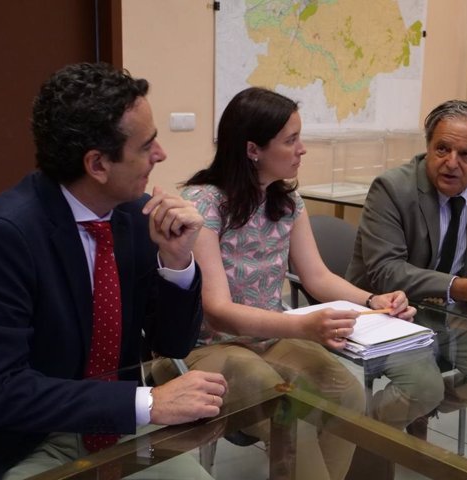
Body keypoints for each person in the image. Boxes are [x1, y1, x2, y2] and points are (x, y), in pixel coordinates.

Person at [152, 86, 415, 480]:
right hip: (205, 347)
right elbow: (219, 313)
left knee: (348, 394)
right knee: (291, 414)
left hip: (270, 337)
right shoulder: (202, 205)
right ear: (253, 149)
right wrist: (303, 327)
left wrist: (373, 299)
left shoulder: (287, 200)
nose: (302, 149)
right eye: (291, 140)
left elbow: (317, 277)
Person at [0, 62, 227, 480]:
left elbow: (173, 343)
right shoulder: (7, 234)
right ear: (97, 165)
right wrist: (148, 403)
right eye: (146, 145)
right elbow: (1, 390)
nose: (162, 154)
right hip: (36, 439)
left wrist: (176, 262)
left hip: (119, 428)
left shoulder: (132, 217)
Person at [345, 99, 467, 436]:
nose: (451, 163)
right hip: (389, 309)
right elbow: (385, 270)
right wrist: (463, 286)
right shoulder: (392, 188)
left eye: (466, 155)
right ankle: (351, 430)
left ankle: (410, 410)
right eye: (442, 149)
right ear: (428, 145)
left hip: (453, 312)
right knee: (422, 386)